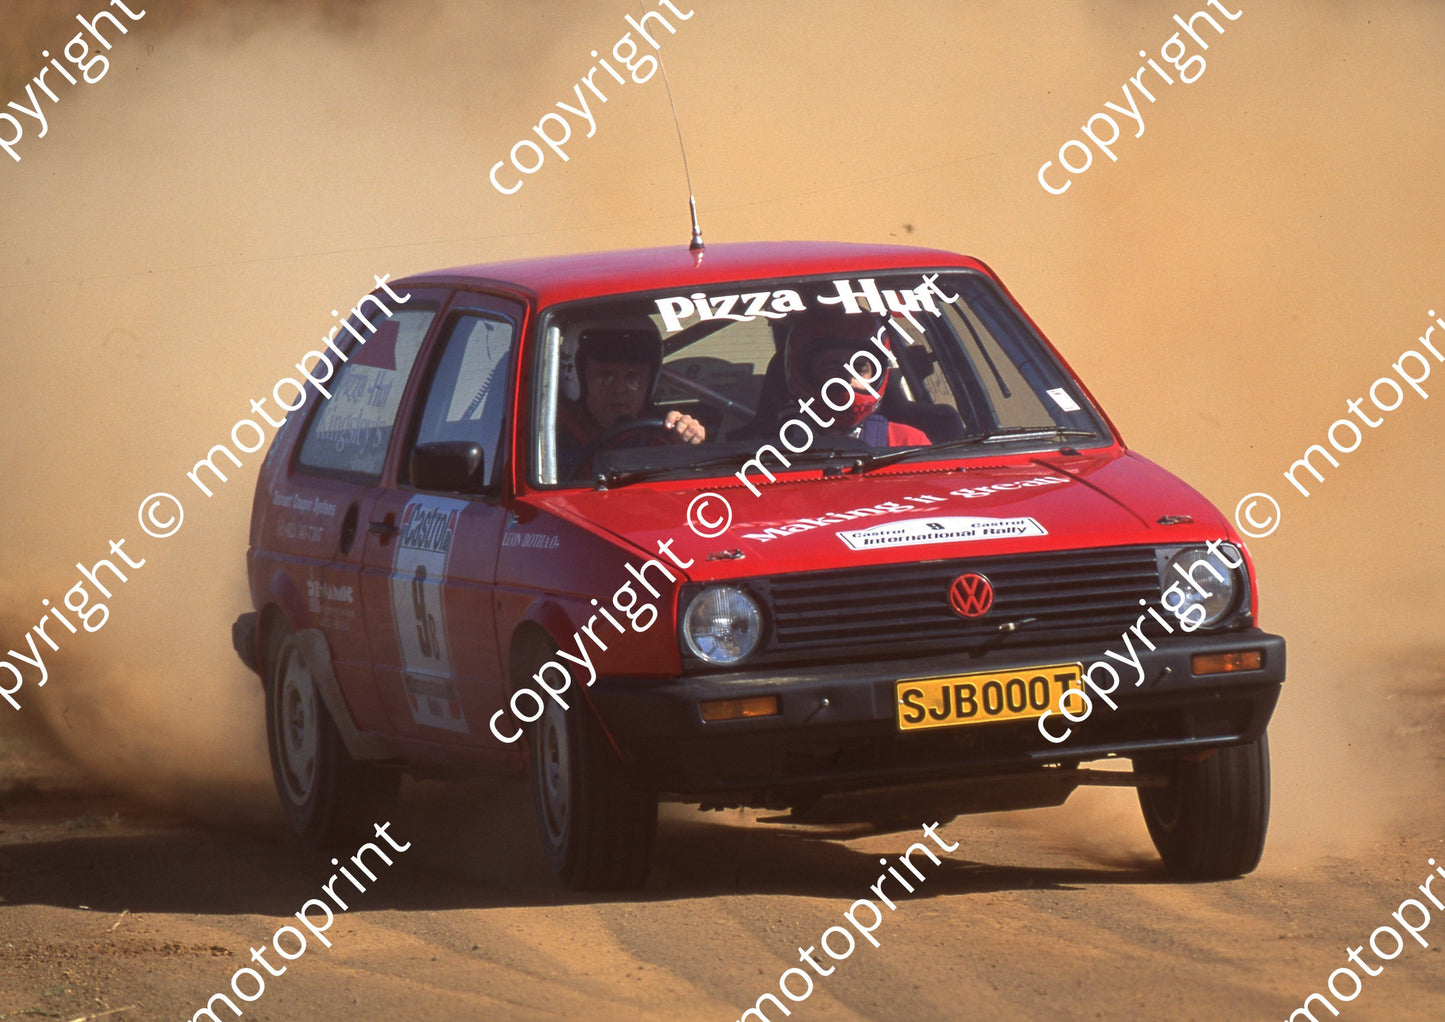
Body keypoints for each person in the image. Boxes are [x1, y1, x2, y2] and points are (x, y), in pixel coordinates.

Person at [556, 321, 705, 476]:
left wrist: (687, 438)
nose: (620, 390)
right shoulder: (547, 439)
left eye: (632, 378)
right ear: (578, 380)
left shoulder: (662, 437)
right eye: (605, 377)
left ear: (648, 383)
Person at [781, 309, 930, 446]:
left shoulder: (908, 442)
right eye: (832, 369)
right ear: (804, 373)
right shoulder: (768, 448)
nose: (848, 382)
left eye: (859, 369)